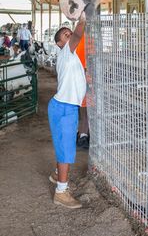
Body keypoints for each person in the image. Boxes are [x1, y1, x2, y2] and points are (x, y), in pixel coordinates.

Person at [48, 12, 86, 209]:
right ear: (59, 44)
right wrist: (83, 18)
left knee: (62, 144)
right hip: (65, 109)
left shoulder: (71, 58)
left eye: (69, 32)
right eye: (65, 35)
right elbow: (79, 35)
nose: (69, 35)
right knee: (67, 151)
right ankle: (61, 192)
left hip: (61, 106)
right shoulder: (66, 52)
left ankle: (57, 174)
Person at [76, 34, 90, 150]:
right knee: (85, 112)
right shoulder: (86, 38)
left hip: (80, 77)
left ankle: (82, 134)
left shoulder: (79, 39)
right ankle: (82, 137)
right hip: (85, 76)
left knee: (83, 111)